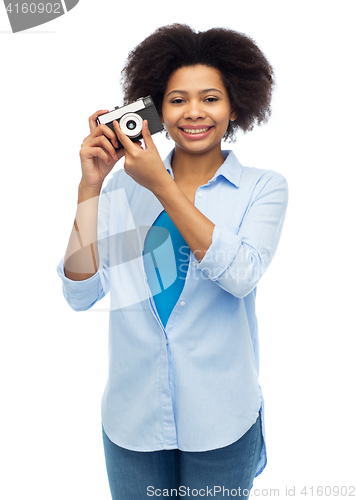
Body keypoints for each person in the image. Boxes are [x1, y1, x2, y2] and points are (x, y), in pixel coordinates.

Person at [57, 24, 289, 499]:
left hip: (222, 421)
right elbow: (81, 292)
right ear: (156, 111)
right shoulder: (121, 187)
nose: (195, 112)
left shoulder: (262, 188)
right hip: (132, 419)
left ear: (235, 106)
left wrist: (161, 185)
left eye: (211, 98)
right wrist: (91, 189)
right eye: (178, 99)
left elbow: (241, 275)